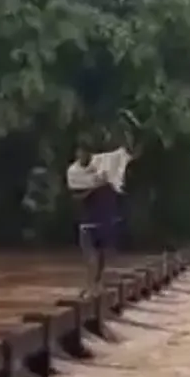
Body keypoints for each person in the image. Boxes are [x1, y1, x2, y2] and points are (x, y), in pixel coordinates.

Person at [67, 122, 140, 297]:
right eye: (80, 152)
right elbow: (76, 196)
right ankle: (91, 286)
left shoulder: (104, 165)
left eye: (85, 152)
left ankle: (95, 285)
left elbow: (128, 155)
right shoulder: (75, 173)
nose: (82, 155)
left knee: (99, 256)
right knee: (91, 256)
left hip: (102, 219)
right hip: (88, 220)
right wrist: (96, 186)